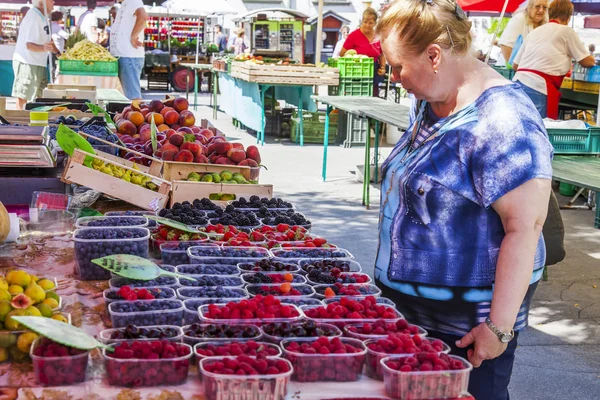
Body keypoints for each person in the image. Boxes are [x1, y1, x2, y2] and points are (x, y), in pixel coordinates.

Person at [375, 1, 553, 399]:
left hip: (465, 336)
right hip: (413, 322)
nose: (394, 76)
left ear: (433, 55)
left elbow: (525, 228)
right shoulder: (430, 100)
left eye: (397, 65)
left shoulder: (505, 120)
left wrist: (498, 328)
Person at [513, 0, 595, 119]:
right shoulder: (566, 31)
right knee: (538, 130)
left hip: (518, 84)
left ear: (549, 14)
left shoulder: (535, 32)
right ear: (568, 17)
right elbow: (587, 61)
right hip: (538, 87)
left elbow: (515, 65)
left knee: (521, 126)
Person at [12, 0, 57, 110]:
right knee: (23, 96)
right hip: (28, 62)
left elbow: (48, 41)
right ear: (41, 4)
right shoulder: (33, 17)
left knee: (40, 95)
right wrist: (44, 48)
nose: (54, 2)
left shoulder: (42, 17)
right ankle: (21, 122)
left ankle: (34, 120)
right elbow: (29, 45)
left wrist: (57, 52)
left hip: (38, 62)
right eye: (50, 1)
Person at [340, 8, 387, 95]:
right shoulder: (354, 36)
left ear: (375, 23)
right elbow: (342, 53)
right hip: (356, 72)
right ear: (362, 21)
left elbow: (381, 54)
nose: (367, 25)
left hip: (373, 72)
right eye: (365, 22)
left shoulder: (378, 36)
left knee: (372, 96)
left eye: (370, 23)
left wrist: (383, 67)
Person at [110, 0, 148, 100]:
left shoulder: (133, 1)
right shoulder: (125, 3)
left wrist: (133, 36)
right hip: (123, 56)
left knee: (132, 98)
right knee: (125, 98)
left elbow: (143, 17)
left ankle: (136, 115)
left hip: (129, 57)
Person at [498, 0, 548, 66]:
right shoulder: (519, 19)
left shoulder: (545, 23)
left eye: (544, 7)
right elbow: (505, 45)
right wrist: (516, 67)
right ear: (530, 7)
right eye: (537, 6)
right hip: (518, 70)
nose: (541, 10)